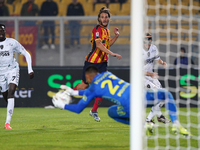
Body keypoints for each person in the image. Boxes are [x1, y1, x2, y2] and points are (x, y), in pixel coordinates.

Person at [53, 65, 192, 137]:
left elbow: (78, 109)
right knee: (166, 94)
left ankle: (143, 125)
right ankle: (176, 123)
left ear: (88, 77)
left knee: (111, 111)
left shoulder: (94, 87)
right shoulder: (107, 74)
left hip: (129, 106)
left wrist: (62, 104)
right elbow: (90, 90)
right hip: (141, 95)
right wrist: (73, 92)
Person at [72, 7, 122, 122]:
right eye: (102, 17)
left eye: (106, 17)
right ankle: (66, 96)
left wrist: (116, 36)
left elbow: (107, 44)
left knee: (102, 87)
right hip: (92, 62)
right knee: (83, 85)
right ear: (99, 18)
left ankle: (94, 111)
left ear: (109, 18)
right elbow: (99, 45)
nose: (104, 19)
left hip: (103, 64)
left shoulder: (107, 31)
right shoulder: (97, 29)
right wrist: (112, 54)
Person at [0, 24, 34, 129]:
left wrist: (30, 69)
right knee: (6, 95)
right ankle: (11, 106)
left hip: (12, 70)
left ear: (5, 32)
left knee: (11, 92)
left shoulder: (12, 42)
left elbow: (26, 53)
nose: (1, 32)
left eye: (2, 30)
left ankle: (7, 123)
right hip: (1, 73)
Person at [142, 33, 170, 125]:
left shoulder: (153, 48)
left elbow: (157, 59)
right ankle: (149, 120)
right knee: (157, 93)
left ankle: (158, 116)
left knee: (163, 95)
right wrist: (151, 74)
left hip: (151, 76)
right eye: (146, 39)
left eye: (150, 39)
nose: (148, 41)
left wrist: (162, 63)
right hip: (142, 77)